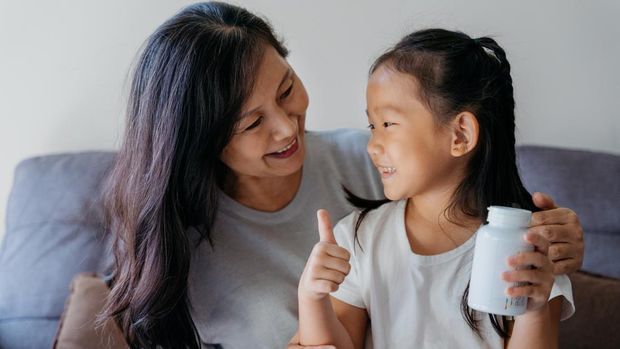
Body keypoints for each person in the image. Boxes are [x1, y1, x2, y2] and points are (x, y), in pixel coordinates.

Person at [101, 3, 584, 349]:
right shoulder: (172, 244)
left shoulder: (381, 167)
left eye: (287, 89)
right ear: (201, 143)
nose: (287, 127)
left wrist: (556, 244)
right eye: (252, 123)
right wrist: (311, 301)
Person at [295, 29, 575, 348]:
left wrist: (535, 312)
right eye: (372, 126)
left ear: (460, 136)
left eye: (388, 124)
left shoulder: (530, 248)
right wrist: (311, 297)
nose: (372, 146)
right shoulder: (358, 238)